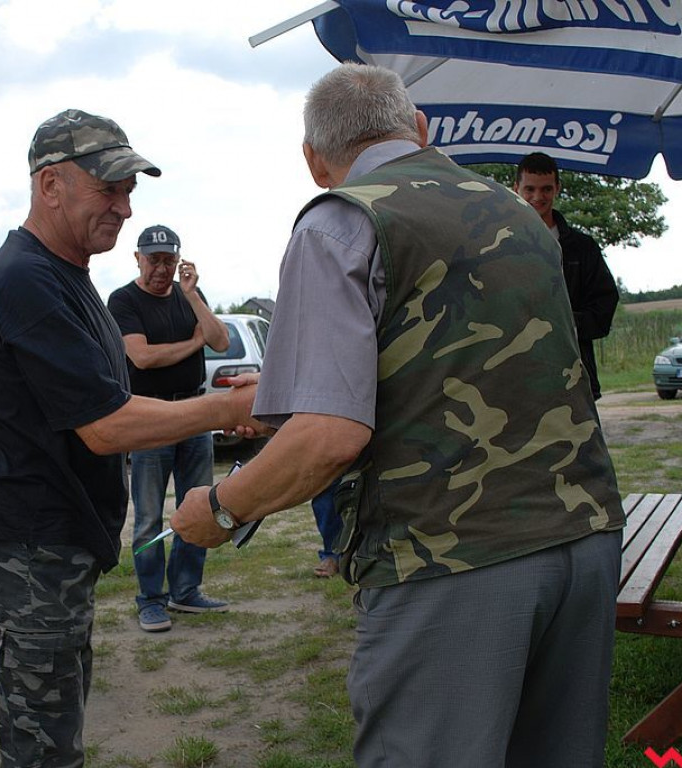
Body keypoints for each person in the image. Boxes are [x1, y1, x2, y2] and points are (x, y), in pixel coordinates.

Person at [171, 64, 624, 767]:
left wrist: (221, 510)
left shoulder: (340, 223)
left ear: (314, 162)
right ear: (420, 129)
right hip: (585, 538)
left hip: (452, 558)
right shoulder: (519, 213)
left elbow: (327, 436)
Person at [0, 108, 263, 768]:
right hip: (23, 538)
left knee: (57, 716)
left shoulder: (68, 273)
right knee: (44, 744)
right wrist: (230, 404)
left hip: (51, 534)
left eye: (129, 191)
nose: (122, 207)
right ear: (51, 183)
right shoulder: (28, 277)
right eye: (108, 188)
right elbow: (107, 425)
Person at [107, 224, 230, 632]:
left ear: (179, 260)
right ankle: (151, 599)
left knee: (198, 505)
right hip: (150, 417)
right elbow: (142, 358)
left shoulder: (187, 295)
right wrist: (194, 344)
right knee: (147, 517)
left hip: (195, 412)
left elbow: (222, 341)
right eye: (153, 259)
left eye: (168, 260)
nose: (161, 268)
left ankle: (185, 591)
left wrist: (193, 295)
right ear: (137, 258)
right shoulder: (124, 300)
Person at [513, 151, 619, 400]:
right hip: (518, 380)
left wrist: (561, 323)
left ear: (557, 188)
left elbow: (604, 310)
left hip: (574, 379)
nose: (538, 197)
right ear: (516, 187)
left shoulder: (583, 248)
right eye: (529, 189)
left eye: (546, 189)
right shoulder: (497, 246)